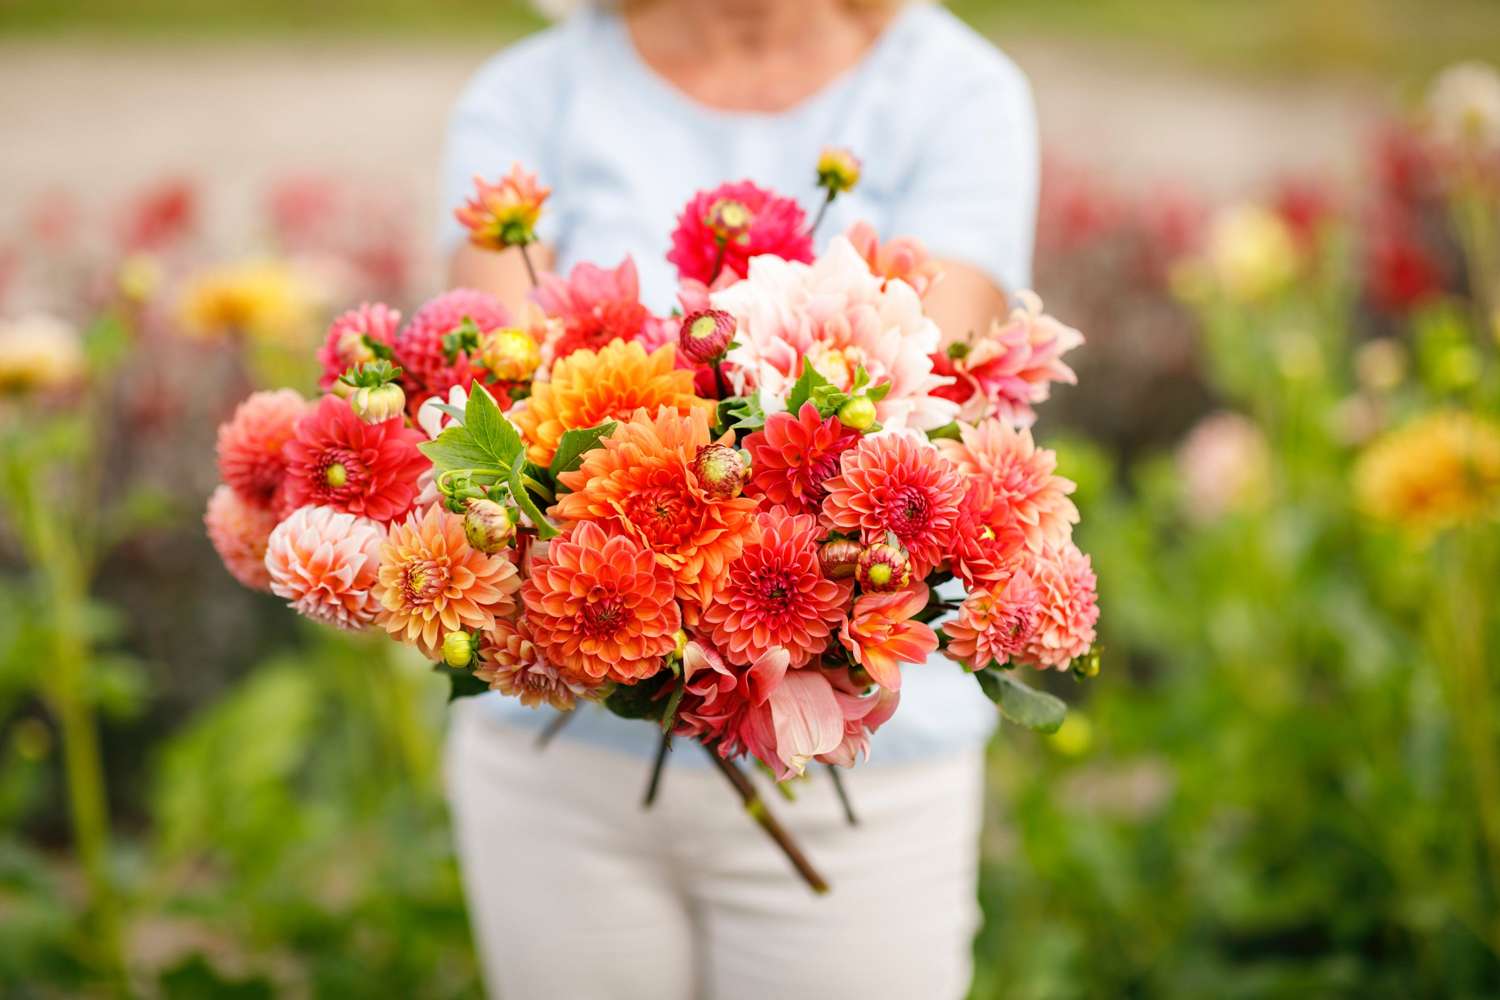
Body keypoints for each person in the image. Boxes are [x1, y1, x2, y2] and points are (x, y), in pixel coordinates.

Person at [438, 1, 1037, 996]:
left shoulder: (956, 91)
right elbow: (497, 421)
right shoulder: (527, 94)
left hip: (859, 769)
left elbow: (912, 409)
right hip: (558, 762)